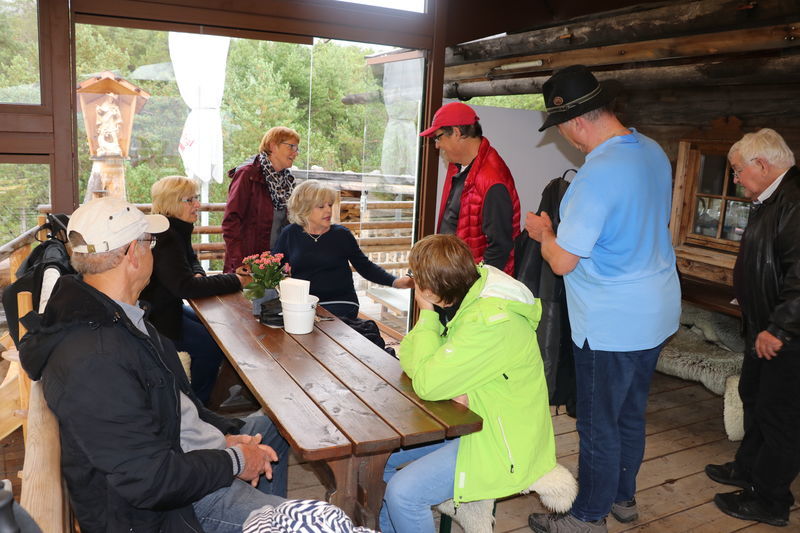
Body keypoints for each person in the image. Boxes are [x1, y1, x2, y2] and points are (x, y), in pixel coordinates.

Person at [18, 197, 289, 533]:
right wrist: (234, 460)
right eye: (150, 242)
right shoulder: (94, 358)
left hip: (185, 454)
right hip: (170, 508)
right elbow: (148, 479)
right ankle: (274, 519)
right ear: (134, 253)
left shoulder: (120, 316)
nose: (153, 251)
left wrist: (226, 436)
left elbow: (179, 406)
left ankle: (266, 517)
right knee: (311, 522)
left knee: (278, 424)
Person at [526, 65, 680, 533]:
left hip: (611, 323)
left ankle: (588, 517)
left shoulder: (596, 176)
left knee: (597, 423)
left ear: (576, 122)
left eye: (561, 127)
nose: (566, 138)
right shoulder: (652, 150)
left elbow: (562, 262)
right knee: (629, 413)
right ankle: (622, 497)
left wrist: (544, 233)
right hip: (657, 309)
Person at [380, 234, 557, 533]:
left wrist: (427, 314)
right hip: (471, 419)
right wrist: (435, 368)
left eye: (414, 276)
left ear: (430, 290)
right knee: (380, 458)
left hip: (501, 438)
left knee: (403, 494)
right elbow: (410, 356)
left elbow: (427, 383)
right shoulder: (470, 295)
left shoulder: (490, 321)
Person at [705, 128, 800, 528]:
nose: (735, 179)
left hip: (786, 335)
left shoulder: (794, 201)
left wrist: (779, 328)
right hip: (764, 326)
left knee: (780, 417)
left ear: (761, 164)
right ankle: (748, 470)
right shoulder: (771, 199)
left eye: (737, 170)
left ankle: (771, 500)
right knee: (756, 400)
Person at [141, 175, 251, 404]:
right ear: (172, 202)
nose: (197, 205)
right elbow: (185, 287)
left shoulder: (174, 229)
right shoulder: (166, 238)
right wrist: (236, 280)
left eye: (196, 198)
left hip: (165, 308)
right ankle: (197, 404)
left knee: (216, 328)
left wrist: (199, 273)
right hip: (156, 318)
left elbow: (191, 260)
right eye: (190, 200)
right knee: (212, 346)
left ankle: (213, 394)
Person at [272, 179, 413, 320]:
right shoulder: (290, 233)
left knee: (319, 326)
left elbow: (365, 267)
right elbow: (272, 266)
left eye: (330, 205)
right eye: (321, 206)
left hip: (341, 302)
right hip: (304, 303)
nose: (328, 210)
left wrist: (395, 282)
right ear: (304, 209)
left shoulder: (341, 234)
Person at [419, 101, 521, 275]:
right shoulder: (459, 166)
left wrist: (475, 286)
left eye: (438, 137)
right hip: (455, 277)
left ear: (457, 133)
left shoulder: (492, 180)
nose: (437, 145)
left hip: (473, 284)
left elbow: (499, 248)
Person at [222, 126, 300, 273]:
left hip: (276, 264)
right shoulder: (248, 174)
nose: (296, 153)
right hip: (248, 264)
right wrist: (238, 262)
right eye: (291, 146)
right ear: (273, 146)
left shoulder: (288, 180)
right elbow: (231, 221)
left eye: (297, 148)